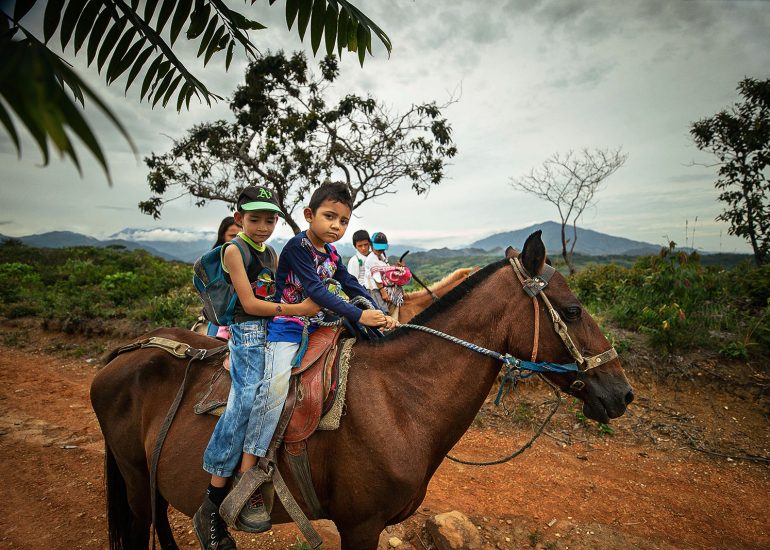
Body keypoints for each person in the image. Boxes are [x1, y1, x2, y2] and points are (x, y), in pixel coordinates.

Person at [241, 182, 395, 530]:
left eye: (343, 220)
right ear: (309, 215)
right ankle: (248, 476)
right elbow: (314, 290)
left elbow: (350, 284)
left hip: (318, 325)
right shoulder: (298, 247)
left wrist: (374, 309)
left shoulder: (332, 254)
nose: (336, 226)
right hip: (286, 326)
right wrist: (357, 314)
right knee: (274, 390)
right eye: (329, 217)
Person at [193, 185, 321, 550]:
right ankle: (215, 496)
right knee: (248, 400)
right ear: (239, 219)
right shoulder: (235, 250)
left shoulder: (273, 253)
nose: (263, 227)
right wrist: (298, 311)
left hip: (274, 330)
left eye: (270, 219)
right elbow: (249, 304)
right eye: (255, 219)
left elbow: (280, 295)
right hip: (248, 333)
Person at [206, 216, 242, 338]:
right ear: (223, 236)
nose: (237, 240)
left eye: (240, 235)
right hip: (223, 311)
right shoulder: (215, 259)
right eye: (232, 236)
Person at [364, 231, 393, 313]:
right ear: (371, 245)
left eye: (382, 248)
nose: (380, 250)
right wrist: (383, 292)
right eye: (378, 248)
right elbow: (377, 277)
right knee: (382, 311)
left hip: (383, 286)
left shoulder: (381, 255)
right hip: (375, 289)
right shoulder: (371, 259)